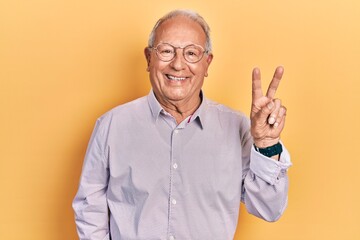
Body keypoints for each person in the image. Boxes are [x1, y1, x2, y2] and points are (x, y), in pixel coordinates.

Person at [73, 9, 292, 240]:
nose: (178, 65)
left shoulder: (238, 128)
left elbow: (269, 208)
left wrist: (267, 144)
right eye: (166, 51)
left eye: (191, 53)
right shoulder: (112, 126)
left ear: (207, 63)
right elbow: (90, 210)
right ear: (149, 59)